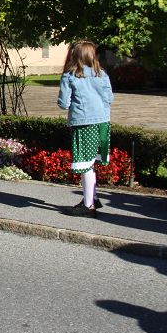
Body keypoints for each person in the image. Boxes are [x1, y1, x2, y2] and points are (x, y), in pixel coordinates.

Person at [57, 40, 114, 217]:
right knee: (91, 163)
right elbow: (110, 99)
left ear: (74, 56)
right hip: (103, 122)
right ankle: (92, 198)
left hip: (83, 123)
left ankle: (88, 206)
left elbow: (64, 103)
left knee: (85, 164)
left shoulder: (70, 76)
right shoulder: (102, 74)